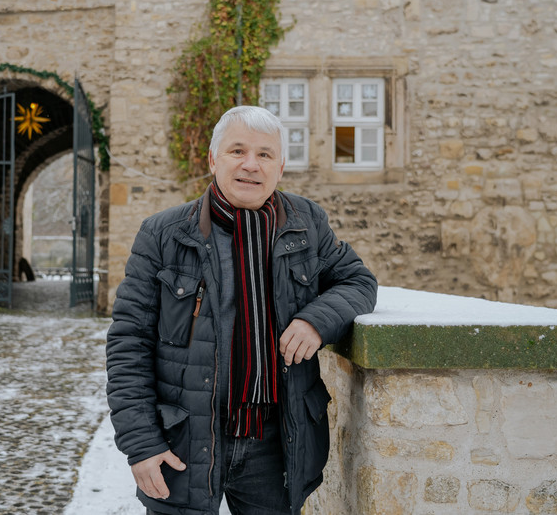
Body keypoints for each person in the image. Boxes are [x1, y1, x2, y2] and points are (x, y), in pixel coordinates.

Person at [106, 105, 377, 515]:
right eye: (238, 151)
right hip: (184, 443)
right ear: (213, 159)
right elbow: (129, 345)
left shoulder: (308, 224)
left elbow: (358, 281)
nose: (251, 165)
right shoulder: (162, 235)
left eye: (265, 154)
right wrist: (141, 445)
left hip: (276, 447)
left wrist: (315, 321)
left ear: (280, 166)